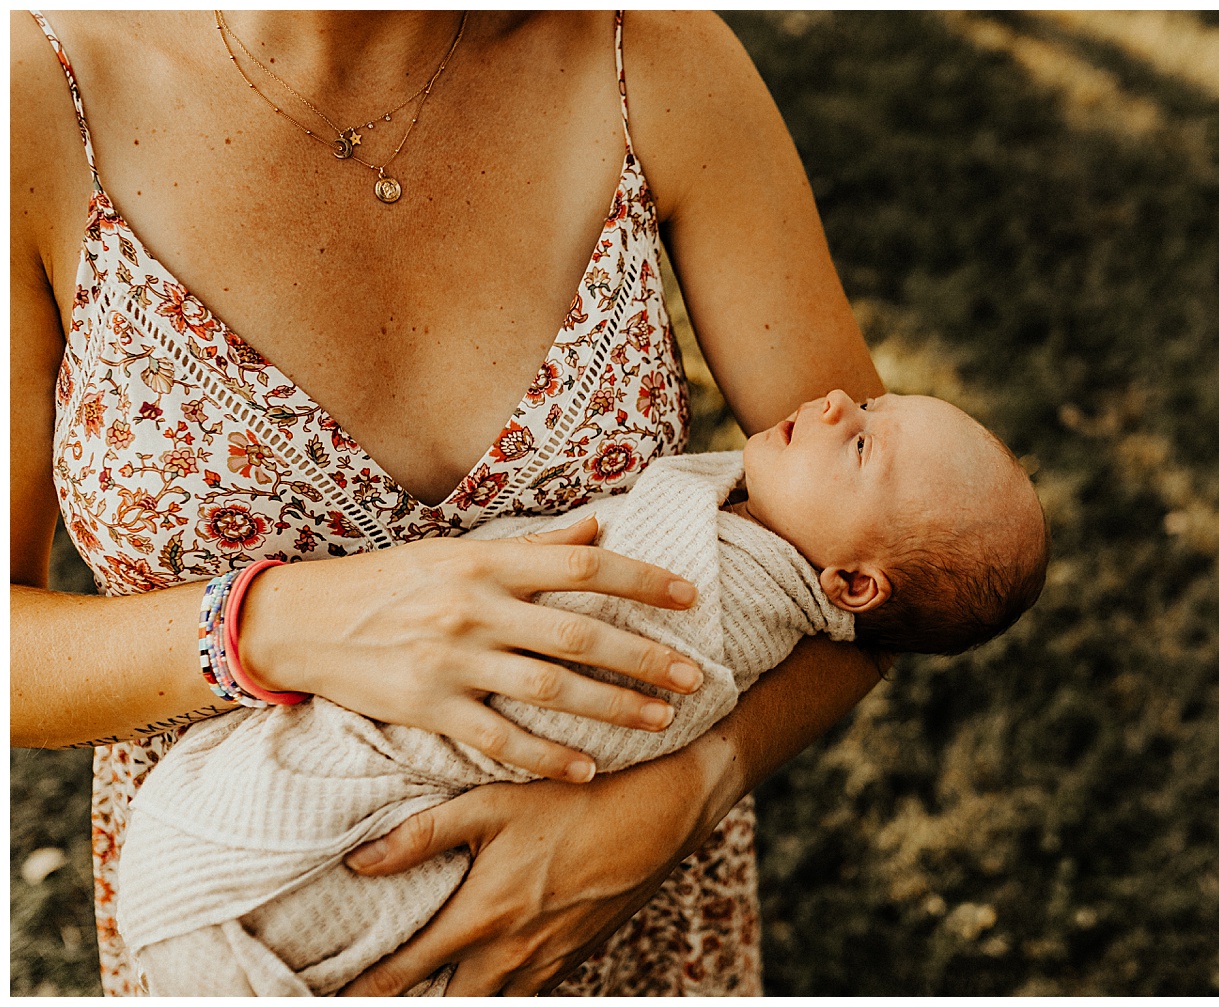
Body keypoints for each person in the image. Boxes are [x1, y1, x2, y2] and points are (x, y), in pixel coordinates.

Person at [11, 11, 892, 996]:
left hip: (624, 922)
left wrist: (683, 796)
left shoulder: (647, 54)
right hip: (254, 929)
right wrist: (268, 624)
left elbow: (894, 551)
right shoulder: (38, 96)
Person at [113, 390, 1049, 996]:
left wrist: (682, 787)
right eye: (874, 404)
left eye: (866, 446)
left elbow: (575, 690)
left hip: (354, 859)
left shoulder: (705, 597)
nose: (841, 398)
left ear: (849, 588)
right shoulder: (765, 526)